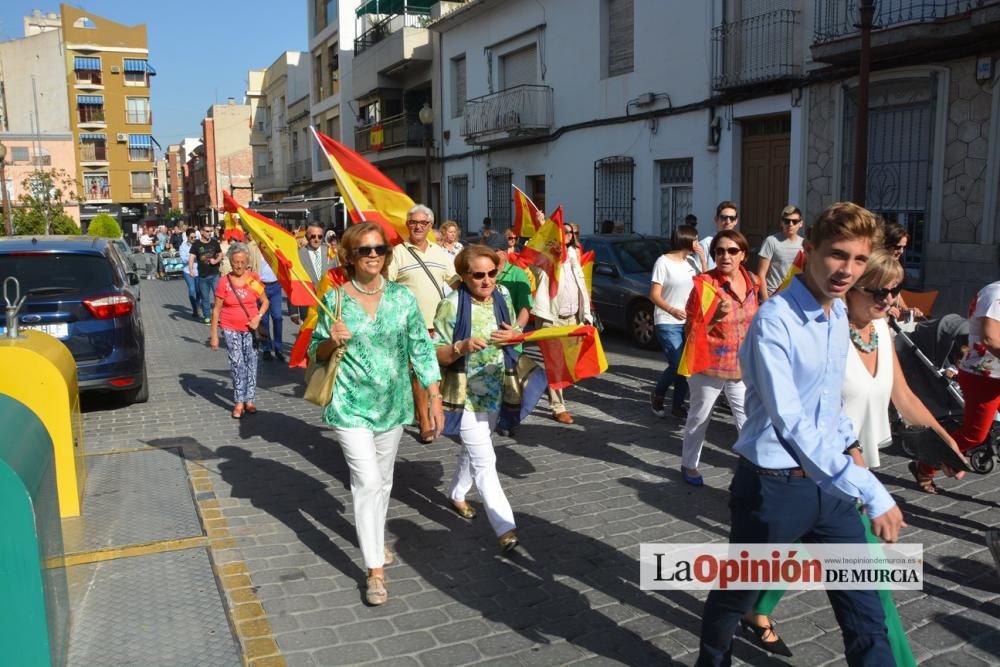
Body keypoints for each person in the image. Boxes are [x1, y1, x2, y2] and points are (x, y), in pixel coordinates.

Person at [696, 202, 906, 667]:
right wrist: (871, 489)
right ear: (808, 250)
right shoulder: (774, 321)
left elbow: (826, 402)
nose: (846, 270)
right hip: (773, 488)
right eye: (836, 255)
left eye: (857, 260)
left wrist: (849, 443)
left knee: (865, 611)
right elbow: (791, 422)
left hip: (829, 486)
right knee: (736, 597)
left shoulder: (835, 315)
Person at [743, 249, 965, 663]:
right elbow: (804, 413)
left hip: (852, 472)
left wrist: (944, 440)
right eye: (877, 291)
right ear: (849, 289)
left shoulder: (881, 328)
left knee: (787, 549)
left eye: (894, 290)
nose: (887, 300)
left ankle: (751, 607)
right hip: (829, 469)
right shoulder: (823, 332)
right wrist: (859, 476)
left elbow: (903, 396)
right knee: (872, 584)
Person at [308, 222, 442, 606]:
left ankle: (376, 538)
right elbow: (315, 352)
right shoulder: (334, 300)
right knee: (366, 482)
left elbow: (420, 347)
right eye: (365, 250)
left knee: (383, 480)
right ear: (350, 256)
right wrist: (329, 340)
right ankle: (374, 571)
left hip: (394, 404)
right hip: (349, 404)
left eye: (379, 250)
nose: (373, 256)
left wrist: (433, 395)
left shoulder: (401, 298)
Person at [433, 245, 523, 553]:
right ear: (464, 276)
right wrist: (461, 346)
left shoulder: (503, 296)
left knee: (474, 452)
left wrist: (514, 336)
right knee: (486, 460)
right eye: (479, 275)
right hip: (464, 394)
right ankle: (505, 527)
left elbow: (514, 336)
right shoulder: (451, 304)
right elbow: (436, 353)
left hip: (496, 389)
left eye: (492, 273)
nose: (487, 281)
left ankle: (457, 492)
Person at [679, 230, 759, 486]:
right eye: (720, 251)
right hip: (709, 365)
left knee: (747, 422)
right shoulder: (705, 284)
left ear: (743, 255)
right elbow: (690, 328)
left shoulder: (754, 283)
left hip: (742, 367)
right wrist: (713, 315)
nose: (725, 256)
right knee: (699, 418)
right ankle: (689, 464)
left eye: (732, 251)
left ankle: (752, 471)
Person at [915, 277, 1000, 492]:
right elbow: (990, 339)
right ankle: (925, 466)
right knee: (973, 434)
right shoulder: (995, 294)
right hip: (984, 375)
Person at [388, 204, 457, 444]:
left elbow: (455, 281)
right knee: (419, 372)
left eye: (423, 223)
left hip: (438, 324)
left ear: (430, 226)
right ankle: (425, 420)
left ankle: (423, 410)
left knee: (433, 374)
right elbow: (387, 285)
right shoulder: (398, 252)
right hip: (410, 324)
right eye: (413, 222)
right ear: (407, 225)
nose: (418, 226)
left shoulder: (440, 254)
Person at [531, 219, 593, 424]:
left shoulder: (575, 254)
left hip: (573, 316)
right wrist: (543, 230)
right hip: (551, 317)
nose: (568, 234)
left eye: (571, 232)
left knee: (570, 362)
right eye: (563, 231)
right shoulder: (545, 256)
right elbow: (534, 259)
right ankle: (558, 407)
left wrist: (586, 313)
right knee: (555, 362)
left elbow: (581, 283)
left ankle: (549, 385)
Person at [648, 224, 705, 420]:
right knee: (677, 363)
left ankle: (678, 405)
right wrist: (671, 309)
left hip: (688, 321)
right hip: (667, 320)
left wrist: (703, 258)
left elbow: (706, 283)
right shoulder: (662, 262)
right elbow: (654, 295)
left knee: (686, 365)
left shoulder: (692, 262)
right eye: (695, 239)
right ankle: (658, 394)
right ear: (687, 240)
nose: (698, 243)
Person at [209, 242, 267, 419]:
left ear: (247, 261)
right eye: (235, 262)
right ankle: (239, 401)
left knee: (251, 363)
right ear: (230, 262)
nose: (239, 266)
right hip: (230, 327)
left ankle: (249, 399)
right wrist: (214, 336)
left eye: (242, 262)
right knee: (237, 364)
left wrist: (258, 316)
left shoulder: (253, 279)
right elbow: (217, 310)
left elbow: (265, 301)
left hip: (251, 329)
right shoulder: (224, 282)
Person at [756, 205, 804, 301]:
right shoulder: (771, 241)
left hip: (794, 296)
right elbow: (761, 273)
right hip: (774, 295)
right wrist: (766, 300)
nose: (790, 224)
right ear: (781, 222)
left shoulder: (805, 244)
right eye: (787, 221)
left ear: (801, 223)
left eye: (795, 221)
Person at [249, 238, 285, 363]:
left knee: (278, 317)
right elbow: (249, 266)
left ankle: (279, 348)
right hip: (261, 286)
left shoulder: (276, 245)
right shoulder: (253, 246)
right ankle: (266, 349)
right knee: (263, 320)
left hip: (275, 286)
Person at [293, 222, 336, 324]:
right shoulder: (298, 254)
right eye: (313, 236)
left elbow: (338, 277)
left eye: (320, 236)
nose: (316, 239)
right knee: (310, 338)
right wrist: (293, 311)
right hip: (307, 306)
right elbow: (293, 282)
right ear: (307, 236)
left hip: (329, 305)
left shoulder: (331, 252)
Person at [882, 222, 922, 321]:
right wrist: (884, 308)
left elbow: (895, 293)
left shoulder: (898, 261)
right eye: (897, 247)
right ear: (885, 244)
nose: (901, 251)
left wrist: (906, 309)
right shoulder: (874, 267)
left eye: (904, 247)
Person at [189, 224, 223, 324]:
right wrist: (191, 270)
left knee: (218, 297)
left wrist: (216, 261)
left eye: (210, 231)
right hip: (202, 275)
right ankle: (207, 316)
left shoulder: (214, 242)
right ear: (202, 232)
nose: (209, 233)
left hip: (214, 274)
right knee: (205, 298)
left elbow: (220, 254)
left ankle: (218, 317)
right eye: (207, 231)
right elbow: (191, 257)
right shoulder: (196, 244)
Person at [692, 201, 738, 273]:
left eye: (732, 218)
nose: (728, 221)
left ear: (736, 221)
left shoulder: (737, 243)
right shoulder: (705, 244)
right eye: (724, 218)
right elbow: (697, 273)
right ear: (716, 219)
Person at [179, 229, 200, 319]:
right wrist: (192, 257)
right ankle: (194, 309)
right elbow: (183, 259)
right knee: (192, 289)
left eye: (195, 237)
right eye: (192, 237)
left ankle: (197, 305)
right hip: (187, 271)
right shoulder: (183, 246)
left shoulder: (199, 244)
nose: (194, 238)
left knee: (199, 291)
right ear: (187, 237)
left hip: (198, 271)